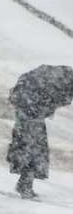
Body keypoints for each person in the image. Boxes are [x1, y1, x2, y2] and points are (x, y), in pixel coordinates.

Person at [6, 65, 73, 199]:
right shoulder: (62, 80)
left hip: (30, 108)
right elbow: (53, 97)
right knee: (33, 149)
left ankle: (24, 183)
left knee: (33, 148)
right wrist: (43, 107)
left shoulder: (62, 77)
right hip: (30, 109)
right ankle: (25, 185)